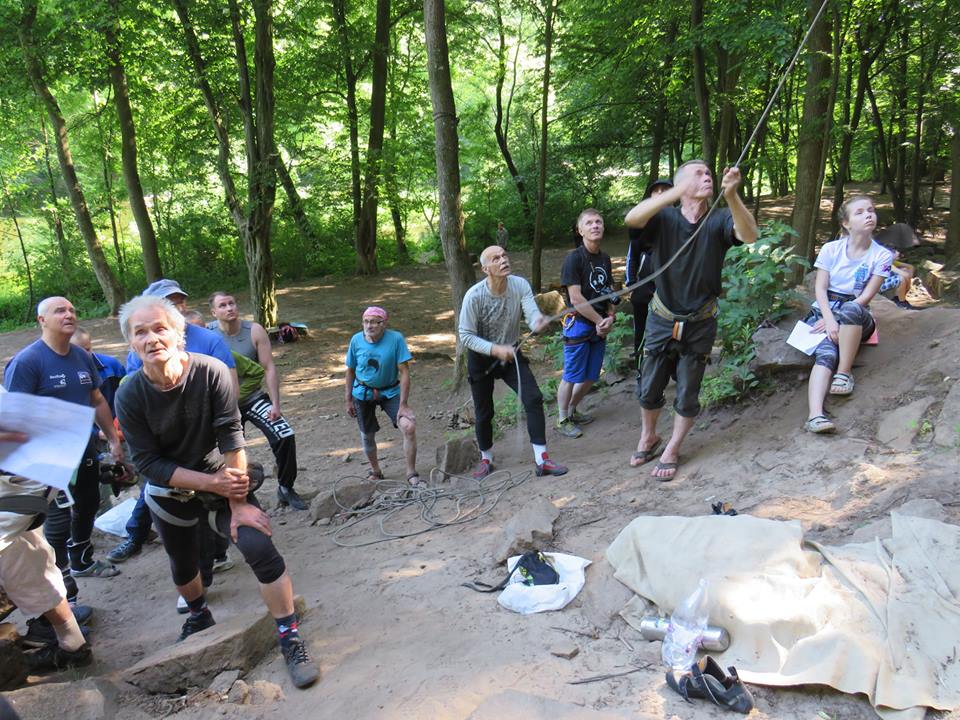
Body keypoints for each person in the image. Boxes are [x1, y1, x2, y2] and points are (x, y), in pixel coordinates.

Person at [114, 294, 318, 688]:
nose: (152, 338)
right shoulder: (129, 394)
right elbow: (148, 464)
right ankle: (198, 614)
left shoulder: (211, 372)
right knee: (184, 563)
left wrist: (239, 503)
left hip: (224, 474)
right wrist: (211, 483)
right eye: (141, 332)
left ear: (179, 335)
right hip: (170, 486)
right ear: (131, 343)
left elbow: (231, 434)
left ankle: (289, 636)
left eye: (160, 328)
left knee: (260, 548)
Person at [624, 160, 758, 480]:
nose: (707, 176)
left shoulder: (719, 219)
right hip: (661, 317)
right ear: (681, 184)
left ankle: (672, 447)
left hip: (701, 320)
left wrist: (732, 196)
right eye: (698, 173)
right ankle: (649, 436)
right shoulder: (664, 218)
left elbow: (750, 235)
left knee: (688, 390)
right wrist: (674, 193)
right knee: (650, 385)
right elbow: (632, 219)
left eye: (708, 173)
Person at [107, 279, 238, 564]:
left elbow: (228, 384)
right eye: (169, 300)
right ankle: (136, 536)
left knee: (215, 499)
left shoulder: (207, 339)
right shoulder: (135, 369)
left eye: (179, 299)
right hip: (163, 446)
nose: (177, 304)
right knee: (153, 492)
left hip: (203, 440)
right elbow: (140, 385)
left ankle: (217, 552)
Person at [3, 297, 125, 590]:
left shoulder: (81, 357)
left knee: (89, 501)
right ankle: (62, 580)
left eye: (72, 309)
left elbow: (96, 400)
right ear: (41, 320)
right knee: (56, 516)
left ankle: (82, 561)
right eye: (60, 311)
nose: (69, 314)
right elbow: (13, 418)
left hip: (83, 448)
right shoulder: (28, 362)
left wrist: (112, 438)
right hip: (47, 458)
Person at [459, 246, 568, 479]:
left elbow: (531, 313)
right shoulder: (474, 296)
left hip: (512, 352)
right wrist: (495, 349)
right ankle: (486, 458)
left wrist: (537, 321)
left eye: (505, 255)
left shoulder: (519, 285)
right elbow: (465, 335)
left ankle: (542, 460)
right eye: (496, 258)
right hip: (482, 358)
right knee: (484, 412)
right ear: (485, 268)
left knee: (533, 398)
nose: (503, 260)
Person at [0, 401, 92, 674]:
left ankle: (65, 637)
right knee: (27, 554)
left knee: (26, 553)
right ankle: (70, 641)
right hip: (25, 482)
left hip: (21, 482)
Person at [208, 292, 306, 510]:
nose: (229, 308)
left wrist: (276, 404)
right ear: (213, 312)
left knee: (285, 434)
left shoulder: (254, 330)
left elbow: (268, 367)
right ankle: (231, 498)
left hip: (252, 398)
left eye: (231, 303)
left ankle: (286, 487)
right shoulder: (207, 333)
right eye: (222, 306)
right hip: (223, 404)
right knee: (225, 451)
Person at [803, 196, 893, 434]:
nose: (868, 215)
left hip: (856, 311)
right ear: (846, 223)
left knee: (853, 308)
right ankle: (815, 416)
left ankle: (844, 374)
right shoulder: (831, 249)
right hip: (826, 308)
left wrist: (838, 318)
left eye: (871, 211)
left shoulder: (882, 255)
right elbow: (820, 288)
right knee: (825, 352)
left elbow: (866, 297)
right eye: (860, 212)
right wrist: (830, 318)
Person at [555, 209, 618, 438]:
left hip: (600, 324)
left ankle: (572, 410)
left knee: (592, 375)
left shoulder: (605, 258)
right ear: (580, 230)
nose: (595, 226)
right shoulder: (574, 259)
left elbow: (609, 289)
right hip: (580, 324)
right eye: (589, 223)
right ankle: (562, 419)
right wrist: (600, 320)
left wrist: (611, 315)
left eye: (599, 222)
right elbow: (576, 298)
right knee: (571, 375)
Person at [344, 307, 419, 485]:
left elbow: (405, 373)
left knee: (408, 427)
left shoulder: (396, 339)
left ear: (383, 324)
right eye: (366, 321)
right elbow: (350, 371)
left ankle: (411, 473)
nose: (369, 326)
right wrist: (348, 399)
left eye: (374, 322)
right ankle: (376, 471)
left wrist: (404, 404)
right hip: (363, 392)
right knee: (367, 435)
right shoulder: (356, 340)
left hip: (390, 391)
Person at [626, 179, 674, 374]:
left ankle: (673, 370)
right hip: (644, 289)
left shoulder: (681, 220)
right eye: (657, 191)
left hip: (672, 290)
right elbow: (632, 256)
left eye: (666, 190)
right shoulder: (641, 222)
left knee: (675, 332)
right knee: (642, 332)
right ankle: (641, 371)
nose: (661, 193)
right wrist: (632, 284)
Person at [874, 223, 921, 309]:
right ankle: (900, 301)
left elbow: (910, 267)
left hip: (883, 282)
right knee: (901, 278)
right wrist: (907, 281)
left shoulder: (891, 262)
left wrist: (907, 270)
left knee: (904, 272)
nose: (898, 253)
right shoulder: (884, 262)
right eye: (894, 251)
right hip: (875, 286)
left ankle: (901, 297)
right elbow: (904, 275)